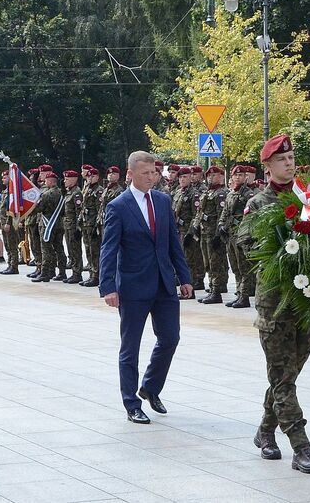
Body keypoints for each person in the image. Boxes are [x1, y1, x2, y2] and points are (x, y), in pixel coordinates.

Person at [241, 134, 310, 474]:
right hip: (274, 302)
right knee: (282, 375)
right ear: (268, 166)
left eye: (291, 158)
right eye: (281, 159)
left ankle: (265, 430)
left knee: (289, 372)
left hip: (306, 300)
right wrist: (281, 255)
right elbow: (246, 246)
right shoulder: (258, 203)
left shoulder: (309, 199)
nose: (289, 163)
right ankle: (301, 448)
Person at [99, 151, 192, 424]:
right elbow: (109, 249)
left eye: (154, 173)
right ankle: (131, 403)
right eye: (145, 173)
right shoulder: (118, 206)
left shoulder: (163, 201)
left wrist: (184, 277)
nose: (151, 178)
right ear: (130, 174)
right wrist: (108, 288)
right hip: (132, 286)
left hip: (164, 284)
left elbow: (172, 242)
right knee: (130, 348)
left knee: (170, 338)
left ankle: (150, 387)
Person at [219, 165, 254, 309]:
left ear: (246, 177)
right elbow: (225, 211)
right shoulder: (230, 193)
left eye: (241, 175)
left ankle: (244, 296)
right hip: (230, 234)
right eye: (236, 175)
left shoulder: (248, 194)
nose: (238, 177)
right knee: (235, 267)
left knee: (243, 266)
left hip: (242, 234)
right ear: (232, 177)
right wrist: (221, 225)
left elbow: (251, 214)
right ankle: (239, 293)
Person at [194, 166, 229, 304]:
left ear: (221, 176)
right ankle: (212, 287)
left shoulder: (221, 193)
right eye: (209, 176)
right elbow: (200, 212)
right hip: (204, 232)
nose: (211, 178)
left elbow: (222, 214)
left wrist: (217, 235)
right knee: (207, 262)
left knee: (215, 263)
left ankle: (217, 291)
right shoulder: (208, 192)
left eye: (214, 175)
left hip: (213, 233)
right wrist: (195, 227)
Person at [33, 171, 67, 282]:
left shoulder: (47, 194)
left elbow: (38, 209)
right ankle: (62, 272)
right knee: (59, 248)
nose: (44, 182)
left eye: (46, 180)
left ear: (51, 181)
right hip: (59, 224)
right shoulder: (62, 193)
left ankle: (45, 273)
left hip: (48, 225)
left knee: (46, 249)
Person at [79, 167, 103, 287]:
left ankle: (96, 275)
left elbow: (100, 210)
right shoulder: (87, 189)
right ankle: (91, 274)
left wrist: (96, 225)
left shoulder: (99, 191)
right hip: (86, 224)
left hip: (93, 225)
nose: (89, 178)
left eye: (92, 176)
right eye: (88, 176)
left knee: (95, 251)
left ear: (97, 177)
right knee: (88, 250)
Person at [62, 170, 84, 284]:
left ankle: (77, 273)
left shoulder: (76, 193)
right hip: (67, 225)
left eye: (67, 179)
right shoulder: (69, 192)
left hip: (73, 226)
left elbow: (79, 212)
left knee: (75, 250)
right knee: (71, 249)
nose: (65, 181)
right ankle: (74, 272)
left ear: (74, 179)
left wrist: (78, 228)